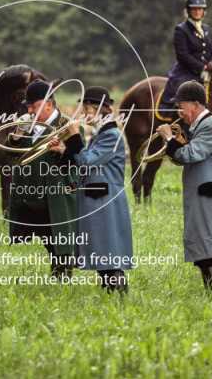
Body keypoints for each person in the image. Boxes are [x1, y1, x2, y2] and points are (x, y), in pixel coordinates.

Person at [156, 81, 212, 293]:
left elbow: (189, 154)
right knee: (205, 250)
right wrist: (176, 142)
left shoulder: (210, 126)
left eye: (182, 106)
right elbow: (185, 156)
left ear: (195, 105)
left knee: (208, 250)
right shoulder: (202, 126)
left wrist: (169, 138)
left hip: (209, 196)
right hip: (205, 195)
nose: (180, 112)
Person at [49, 86, 134, 293]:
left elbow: (87, 161)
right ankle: (112, 296)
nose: (84, 114)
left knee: (109, 255)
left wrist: (73, 138)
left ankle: (120, 298)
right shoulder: (100, 134)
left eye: (87, 109)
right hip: (96, 198)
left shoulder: (111, 134)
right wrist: (64, 150)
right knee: (102, 253)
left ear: (99, 109)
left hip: (105, 200)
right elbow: (83, 159)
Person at [7, 80, 80, 278]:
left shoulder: (66, 125)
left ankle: (63, 274)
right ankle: (58, 270)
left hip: (57, 192)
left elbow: (79, 157)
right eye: (28, 106)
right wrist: (18, 133)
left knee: (61, 236)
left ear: (49, 104)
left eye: (34, 105)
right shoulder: (28, 124)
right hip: (32, 191)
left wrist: (65, 150)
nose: (30, 110)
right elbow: (12, 152)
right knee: (45, 236)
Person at [160, 0, 212, 120]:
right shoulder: (181, 30)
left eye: (200, 9)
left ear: (204, 11)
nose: (197, 12)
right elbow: (183, 55)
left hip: (209, 71)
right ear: (188, 11)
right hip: (186, 72)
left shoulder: (207, 29)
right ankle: (178, 119)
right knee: (184, 92)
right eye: (194, 9)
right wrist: (202, 68)